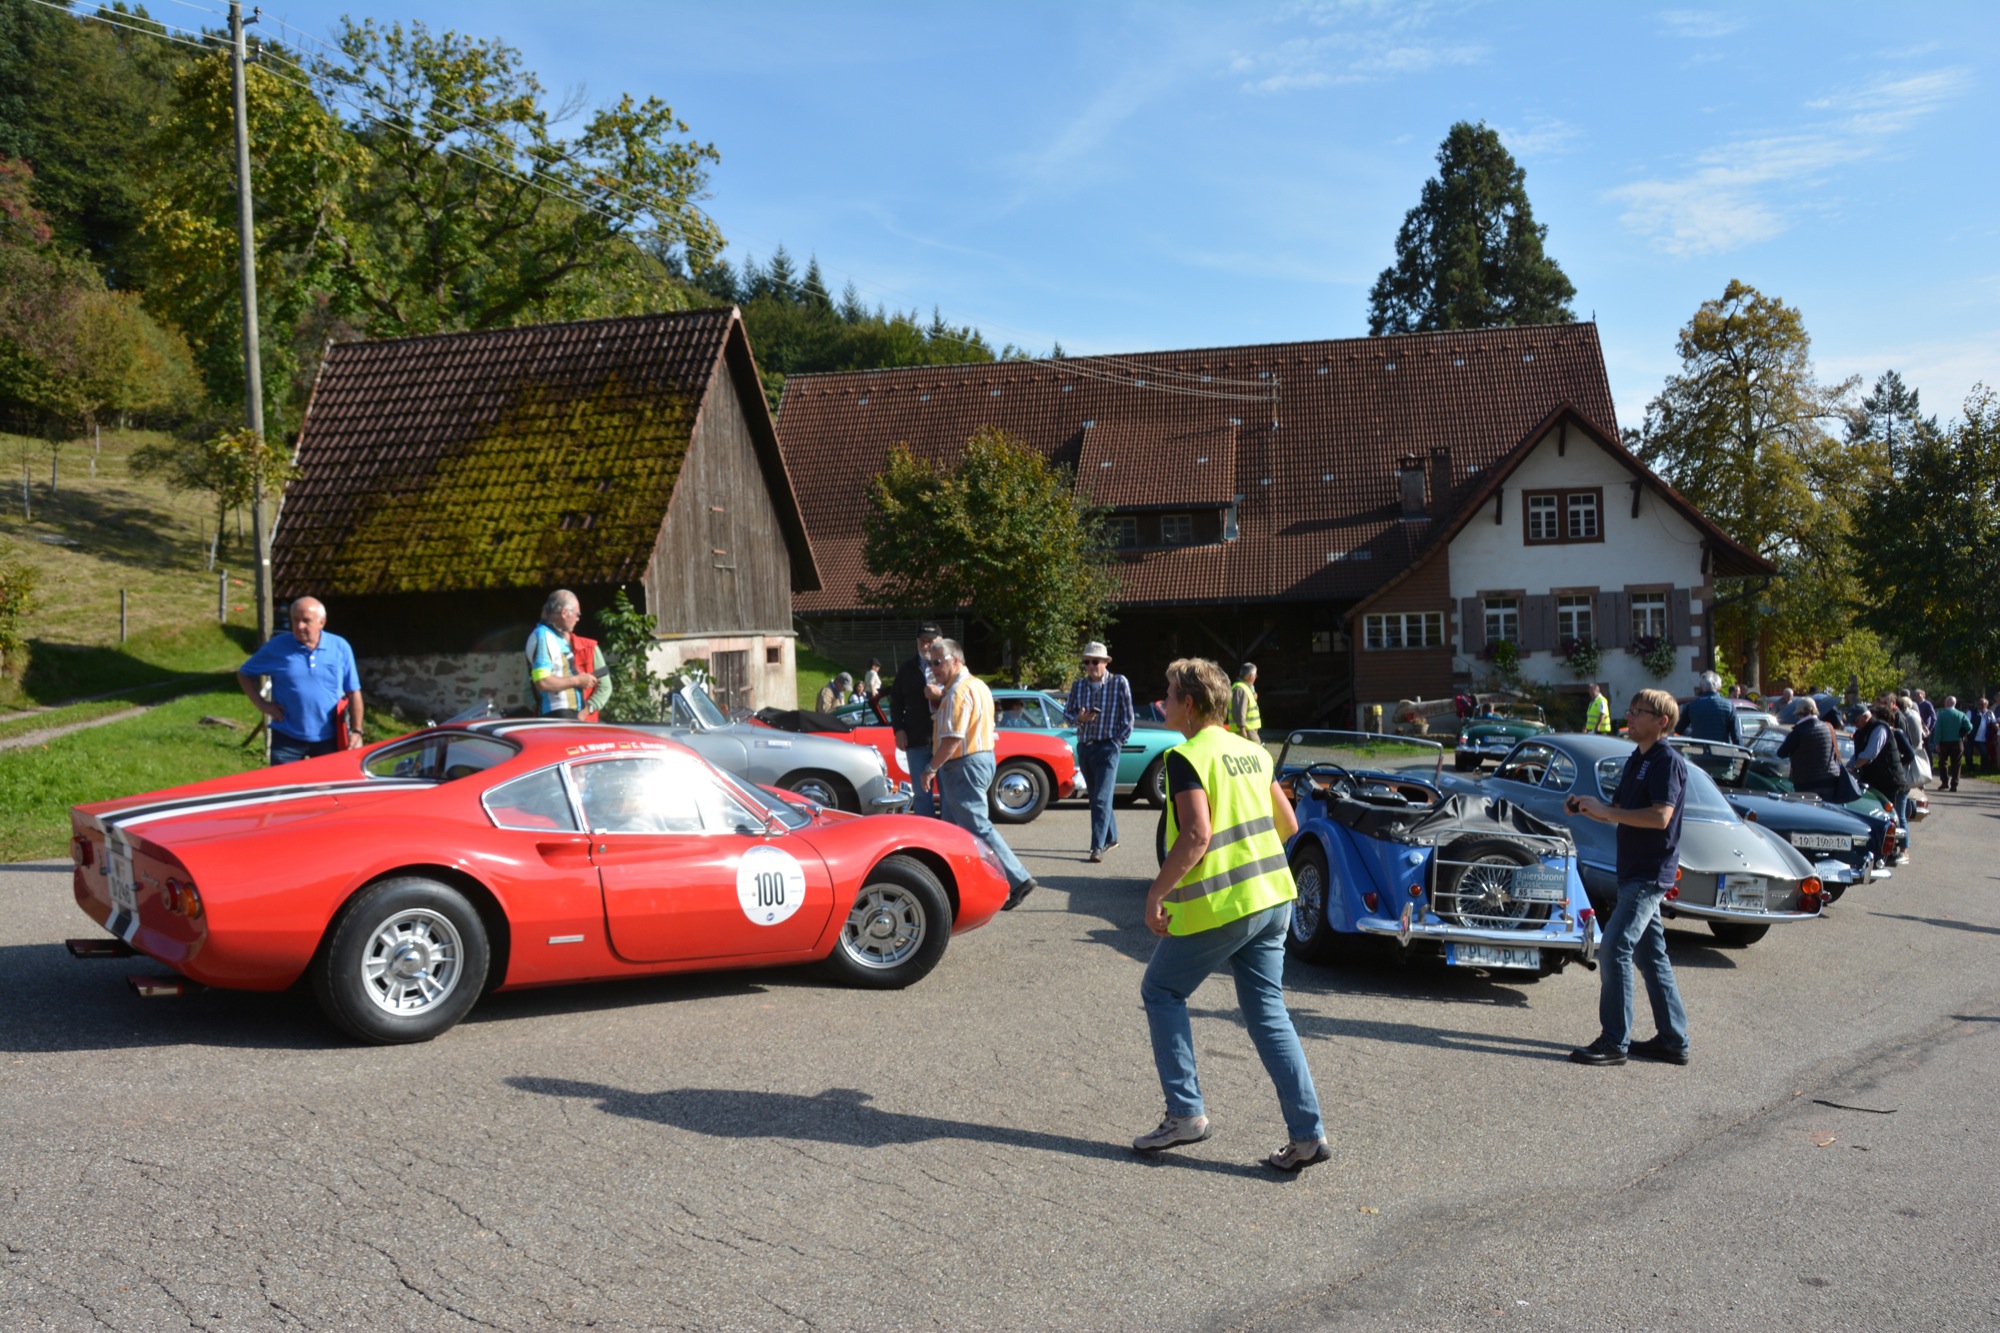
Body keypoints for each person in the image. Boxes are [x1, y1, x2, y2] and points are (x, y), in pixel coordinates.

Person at [1134, 657, 1328, 1171]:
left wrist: (1156, 893)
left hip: (1227, 904)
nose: (1162, 701)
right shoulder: (1252, 752)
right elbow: (1288, 824)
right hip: (1273, 897)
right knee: (1268, 1013)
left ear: (1189, 704)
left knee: (1161, 990)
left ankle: (1185, 1114)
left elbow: (1197, 835)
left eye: (1168, 694)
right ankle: (1308, 1136)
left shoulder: (1187, 756)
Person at [1566, 688, 1691, 1068]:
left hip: (1649, 873)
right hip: (1632, 869)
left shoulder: (1666, 762)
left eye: (1639, 712)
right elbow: (1619, 808)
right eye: (1631, 710)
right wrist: (1588, 807)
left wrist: (1609, 812)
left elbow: (1660, 817)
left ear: (1661, 722)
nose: (1630, 716)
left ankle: (1614, 1041)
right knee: (1651, 957)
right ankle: (1672, 1040)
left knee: (1614, 946)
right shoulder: (1637, 759)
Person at [920, 638, 1039, 909]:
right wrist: (937, 701)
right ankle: (957, 886)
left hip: (964, 764)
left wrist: (930, 768)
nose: (933, 668)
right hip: (975, 761)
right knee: (953, 832)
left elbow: (952, 738)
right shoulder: (975, 685)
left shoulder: (958, 691)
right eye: (930, 663)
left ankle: (1019, 878)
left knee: (976, 827)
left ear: (955, 661)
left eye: (937, 662)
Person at [237, 596, 365, 765]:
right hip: (287, 738)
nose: (299, 626)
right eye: (295, 620)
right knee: (285, 783)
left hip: (330, 738)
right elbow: (245, 673)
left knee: (330, 782)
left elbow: (353, 692)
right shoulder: (277, 647)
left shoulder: (340, 647)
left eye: (306, 621)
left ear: (322, 622)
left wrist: (357, 731)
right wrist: (263, 705)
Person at [1063, 641, 1134, 863]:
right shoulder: (1078, 686)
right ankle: (1111, 837)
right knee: (1096, 798)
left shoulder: (1119, 682)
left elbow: (1128, 719)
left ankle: (1097, 846)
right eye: (1087, 662)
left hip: (1108, 747)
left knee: (1102, 799)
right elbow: (1067, 715)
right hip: (1085, 747)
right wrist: (1079, 718)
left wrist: (1117, 743)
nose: (1090, 666)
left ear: (1106, 662)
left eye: (1095, 661)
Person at [889, 625, 944, 818]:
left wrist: (940, 695)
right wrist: (899, 730)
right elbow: (895, 702)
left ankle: (949, 832)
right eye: (922, 641)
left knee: (948, 793)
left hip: (945, 740)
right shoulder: (907, 669)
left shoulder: (950, 666)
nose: (926, 645)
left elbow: (960, 698)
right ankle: (926, 832)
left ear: (940, 641)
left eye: (930, 641)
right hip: (917, 739)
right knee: (921, 794)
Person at [1851, 701, 1915, 862]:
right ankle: (1887, 851)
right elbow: (1858, 755)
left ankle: (1903, 851)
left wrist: (1854, 766)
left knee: (1896, 817)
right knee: (1882, 817)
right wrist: (1848, 767)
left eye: (1855, 720)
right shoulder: (1862, 732)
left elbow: (1869, 754)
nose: (1854, 724)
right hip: (1877, 781)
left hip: (1892, 780)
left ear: (1865, 717)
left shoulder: (1880, 729)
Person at [527, 590, 594, 718]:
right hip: (557, 714)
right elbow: (542, 681)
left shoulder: (555, 636)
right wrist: (578, 680)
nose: (578, 619)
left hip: (566, 714)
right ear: (565, 613)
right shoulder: (543, 636)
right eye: (577, 614)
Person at [1776, 698, 1841, 799]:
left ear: (1799, 713)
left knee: (1807, 809)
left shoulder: (1798, 731)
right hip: (1830, 780)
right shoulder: (1828, 727)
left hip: (1807, 783)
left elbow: (1781, 753)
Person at [1680, 670, 1742, 745]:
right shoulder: (1729, 706)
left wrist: (1692, 733)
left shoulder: (1692, 706)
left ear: (1701, 687)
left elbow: (1679, 730)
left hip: (1698, 750)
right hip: (1722, 750)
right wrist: (1741, 750)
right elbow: (1736, 736)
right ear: (1719, 688)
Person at [1931, 695, 1970, 792]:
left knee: (1943, 762)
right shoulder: (1960, 714)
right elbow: (1969, 726)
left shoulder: (1942, 715)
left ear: (1947, 703)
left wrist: (1937, 742)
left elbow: (1938, 730)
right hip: (1957, 741)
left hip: (1944, 742)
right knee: (1956, 763)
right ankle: (1954, 784)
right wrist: (1963, 733)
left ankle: (1944, 782)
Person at [1228, 663, 1261, 742]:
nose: (1255, 677)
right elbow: (1239, 711)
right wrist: (1242, 729)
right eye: (1255, 675)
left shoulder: (1245, 688)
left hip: (1248, 730)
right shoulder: (1241, 689)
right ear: (1251, 676)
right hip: (1246, 731)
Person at [1969, 698, 1996, 776]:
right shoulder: (1971, 712)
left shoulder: (1990, 713)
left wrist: (1997, 726)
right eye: (1979, 704)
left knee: (1984, 753)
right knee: (1968, 753)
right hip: (1971, 737)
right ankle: (1970, 769)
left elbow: (1994, 723)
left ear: (1986, 705)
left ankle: (1983, 769)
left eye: (1982, 704)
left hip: (1982, 738)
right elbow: (1965, 723)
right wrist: (1965, 736)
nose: (1980, 706)